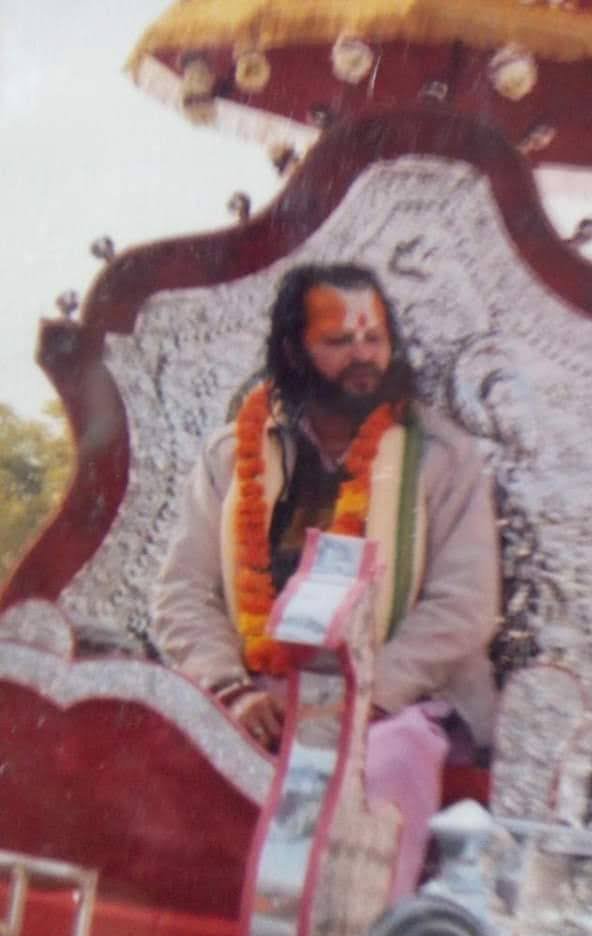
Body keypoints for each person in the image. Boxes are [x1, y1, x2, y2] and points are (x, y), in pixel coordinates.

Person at [152, 262, 499, 893]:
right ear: (293, 350)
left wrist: (360, 699)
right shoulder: (233, 454)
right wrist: (230, 690)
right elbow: (183, 592)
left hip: (400, 705)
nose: (363, 356)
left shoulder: (443, 456)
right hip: (259, 694)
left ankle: (356, 933)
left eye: (374, 338)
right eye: (339, 341)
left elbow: (466, 605)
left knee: (387, 765)